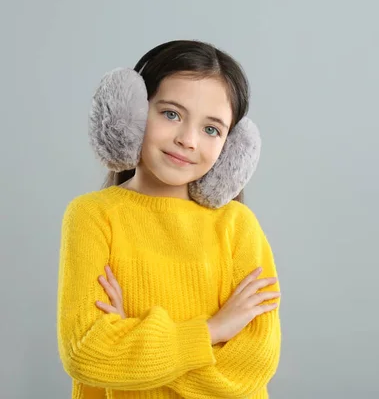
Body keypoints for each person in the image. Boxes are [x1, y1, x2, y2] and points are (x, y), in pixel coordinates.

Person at [56, 39, 281, 399]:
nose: (188, 140)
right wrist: (211, 331)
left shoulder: (239, 226)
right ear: (131, 115)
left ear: (231, 149)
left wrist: (135, 342)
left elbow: (250, 367)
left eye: (211, 129)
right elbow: (87, 352)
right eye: (171, 114)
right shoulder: (92, 216)